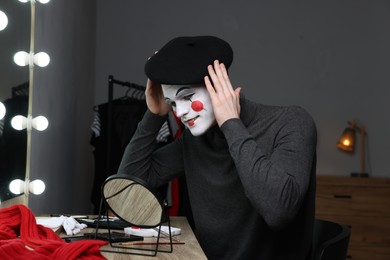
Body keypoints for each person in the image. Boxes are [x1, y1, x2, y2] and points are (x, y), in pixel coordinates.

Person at [117, 36, 317, 260]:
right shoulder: (196, 141)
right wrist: (153, 116)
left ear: (219, 87)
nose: (180, 112)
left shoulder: (291, 123)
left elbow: (278, 211)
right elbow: (126, 188)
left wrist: (231, 123)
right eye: (173, 103)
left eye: (187, 97)